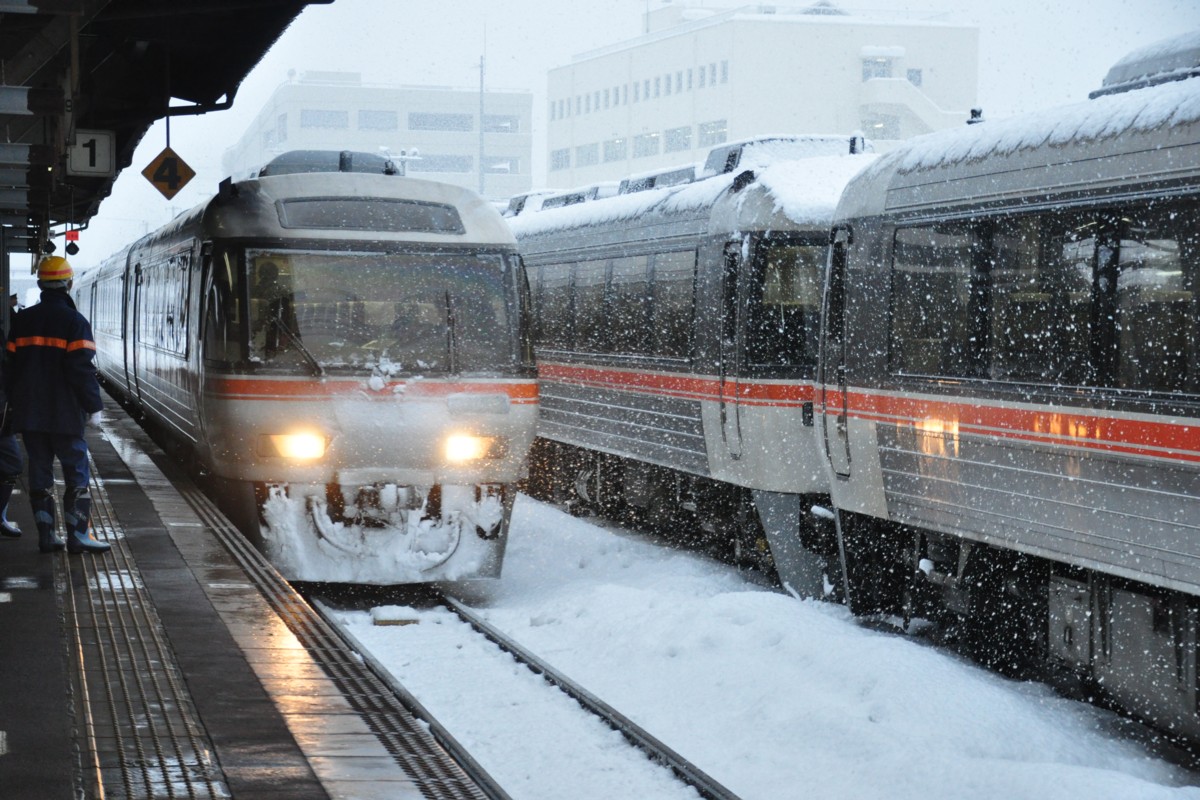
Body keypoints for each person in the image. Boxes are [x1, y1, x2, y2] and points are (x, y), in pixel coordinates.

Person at [5, 255, 109, 554]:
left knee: (39, 472)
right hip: (65, 415)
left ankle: (47, 537)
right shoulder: (74, 321)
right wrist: (94, 406)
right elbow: (80, 369)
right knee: (76, 472)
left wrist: (16, 403)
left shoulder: (22, 321)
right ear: (69, 283)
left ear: (40, 284)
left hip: (31, 414)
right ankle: (79, 537)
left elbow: (11, 367)